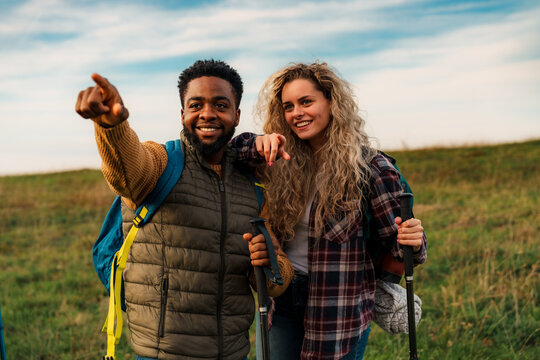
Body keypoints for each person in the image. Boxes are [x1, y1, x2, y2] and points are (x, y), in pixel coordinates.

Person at [75, 59, 293, 360]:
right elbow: (128, 171)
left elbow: (275, 280)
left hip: (232, 352)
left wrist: (271, 263)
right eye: (196, 105)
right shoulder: (163, 161)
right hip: (163, 353)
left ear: (237, 114)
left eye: (220, 104)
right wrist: (111, 127)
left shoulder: (252, 184)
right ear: (182, 113)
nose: (207, 114)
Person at [231, 62, 427, 360]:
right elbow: (232, 151)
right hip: (281, 297)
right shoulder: (280, 160)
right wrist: (258, 143)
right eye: (288, 106)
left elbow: (406, 249)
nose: (297, 113)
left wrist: (412, 238)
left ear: (332, 102)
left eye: (306, 101)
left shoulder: (371, 169)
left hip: (339, 309)